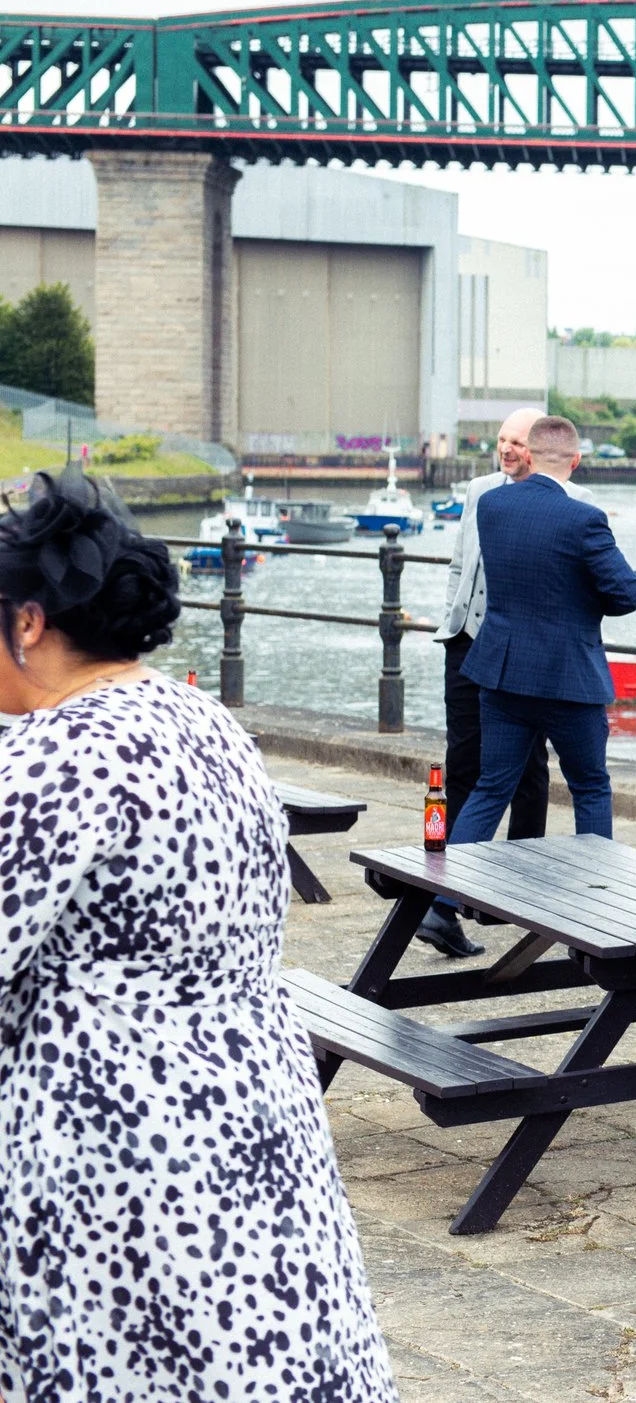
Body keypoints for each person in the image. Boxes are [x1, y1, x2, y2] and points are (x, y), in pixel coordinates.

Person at [0, 474, 397, 1400]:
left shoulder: (51, 754)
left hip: (111, 1133)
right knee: (257, 1346)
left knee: (121, 1361)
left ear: (26, 623)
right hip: (250, 1102)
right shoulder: (204, 719)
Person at [427, 406, 599, 957]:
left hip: (518, 654)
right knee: (469, 766)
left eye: (516, 442)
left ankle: (511, 887)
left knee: (523, 776)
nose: (506, 449)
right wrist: (454, 618)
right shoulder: (483, 492)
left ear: (539, 448)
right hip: (470, 644)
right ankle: (452, 890)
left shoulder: (573, 508)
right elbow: (462, 564)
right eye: (500, 440)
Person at [447, 415, 636, 852]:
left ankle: (440, 908)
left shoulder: (493, 506)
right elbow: (629, 594)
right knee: (590, 787)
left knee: (490, 788)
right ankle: (594, 901)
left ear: (531, 457)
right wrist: (586, 602)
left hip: (502, 674)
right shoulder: (586, 519)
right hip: (567, 679)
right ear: (576, 460)